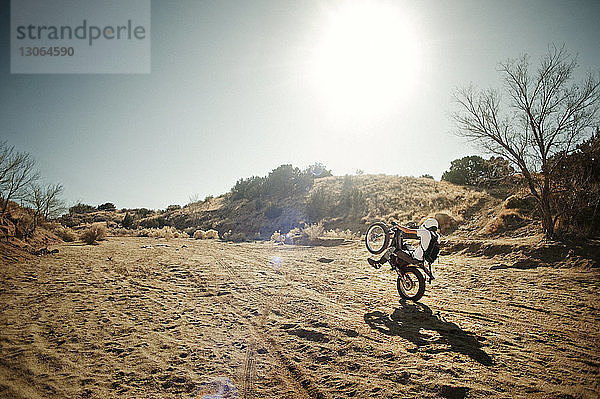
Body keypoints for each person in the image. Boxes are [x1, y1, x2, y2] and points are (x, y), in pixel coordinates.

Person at [368, 218, 439, 271]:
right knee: (406, 245)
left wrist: (397, 225)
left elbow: (407, 231)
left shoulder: (425, 232)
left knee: (393, 249)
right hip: (424, 259)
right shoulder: (437, 236)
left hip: (415, 257)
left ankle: (379, 264)